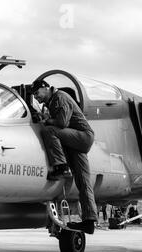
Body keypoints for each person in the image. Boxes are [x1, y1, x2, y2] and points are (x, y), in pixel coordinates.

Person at [31, 79, 98, 234]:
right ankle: (89, 221)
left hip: (82, 137)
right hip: (74, 141)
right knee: (83, 182)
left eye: (37, 93)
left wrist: (46, 120)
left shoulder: (60, 97)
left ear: (45, 88)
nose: (36, 97)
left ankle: (61, 166)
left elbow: (61, 123)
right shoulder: (51, 102)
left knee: (50, 131)